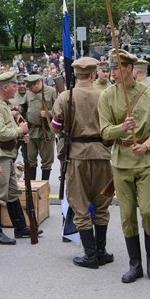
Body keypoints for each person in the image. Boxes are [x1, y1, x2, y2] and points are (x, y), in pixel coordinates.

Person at [98, 49, 150, 283]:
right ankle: (135, 264)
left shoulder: (149, 93)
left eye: (117, 68)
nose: (113, 72)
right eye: (111, 68)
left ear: (130, 69)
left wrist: (147, 145)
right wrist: (122, 128)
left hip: (148, 160)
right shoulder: (107, 96)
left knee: (148, 210)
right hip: (121, 160)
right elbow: (105, 131)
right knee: (127, 215)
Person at [51, 57, 114, 269]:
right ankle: (101, 251)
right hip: (102, 154)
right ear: (93, 74)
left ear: (75, 75)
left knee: (80, 205)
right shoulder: (105, 94)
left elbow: (56, 126)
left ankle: (90, 255)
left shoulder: (65, 96)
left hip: (77, 155)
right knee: (102, 204)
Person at [0, 71, 39, 244]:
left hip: (7, 154)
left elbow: (9, 129)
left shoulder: (4, 105)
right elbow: (1, 133)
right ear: (5, 87)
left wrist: (20, 135)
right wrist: (20, 130)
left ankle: (20, 227)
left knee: (12, 191)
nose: (17, 88)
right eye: (14, 85)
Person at [23, 74, 56, 181]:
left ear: (38, 82)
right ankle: (31, 187)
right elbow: (23, 107)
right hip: (31, 131)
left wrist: (48, 113)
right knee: (30, 160)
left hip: (45, 132)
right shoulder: (28, 93)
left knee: (47, 162)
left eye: (32, 87)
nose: (30, 89)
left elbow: (61, 110)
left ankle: (44, 186)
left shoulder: (51, 91)